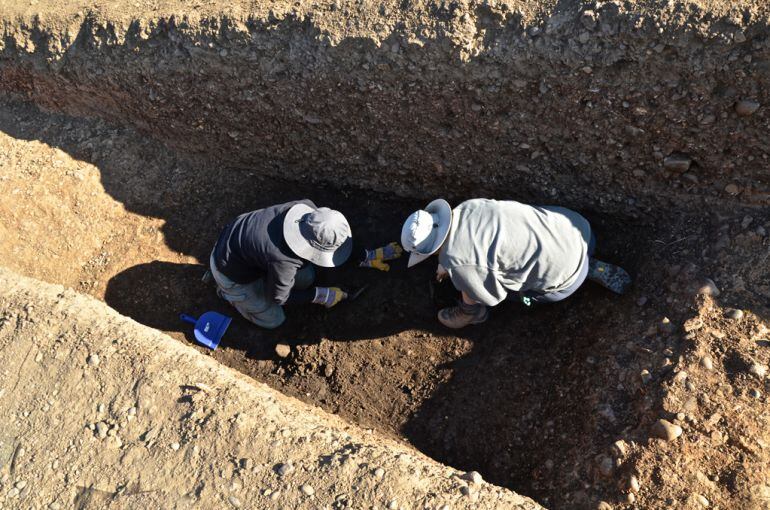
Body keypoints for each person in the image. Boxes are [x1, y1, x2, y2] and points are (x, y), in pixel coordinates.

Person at [400, 198, 631, 329]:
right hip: (578, 230)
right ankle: (585, 261)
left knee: (516, 295)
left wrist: (464, 293)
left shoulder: (459, 263)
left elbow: (489, 296)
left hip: (564, 281)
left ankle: (474, 316)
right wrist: (448, 264)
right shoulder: (468, 207)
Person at [210, 199, 402, 329]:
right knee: (274, 319)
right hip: (230, 271)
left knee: (307, 277)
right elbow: (279, 298)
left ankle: (262, 278)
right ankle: (228, 295)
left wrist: (366, 256)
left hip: (244, 241)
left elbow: (336, 241)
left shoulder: (308, 211)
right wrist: (319, 295)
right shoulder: (283, 260)